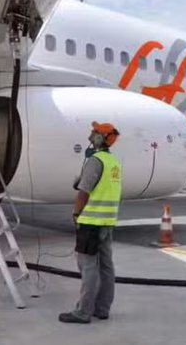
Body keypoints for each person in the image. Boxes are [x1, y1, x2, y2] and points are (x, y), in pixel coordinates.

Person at [59, 122, 122, 324]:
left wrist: (76, 214)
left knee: (88, 267)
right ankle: (102, 309)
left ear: (101, 138)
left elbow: (83, 192)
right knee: (106, 266)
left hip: (91, 222)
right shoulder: (113, 162)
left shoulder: (95, 161)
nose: (91, 135)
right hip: (107, 222)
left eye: (95, 133)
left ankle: (83, 312)